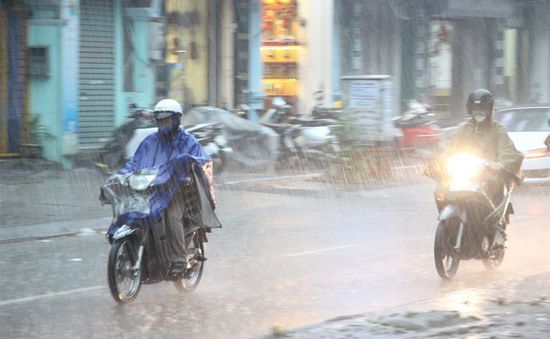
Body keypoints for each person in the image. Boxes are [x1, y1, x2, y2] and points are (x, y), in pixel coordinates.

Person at [120, 98, 216, 276]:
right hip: (153, 188)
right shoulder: (150, 141)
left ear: (176, 119)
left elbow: (203, 160)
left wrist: (187, 162)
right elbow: (135, 162)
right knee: (132, 212)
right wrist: (120, 175)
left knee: (172, 216)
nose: (163, 123)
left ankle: (179, 261)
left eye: (166, 119)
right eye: (160, 120)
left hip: (178, 189)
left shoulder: (187, 141)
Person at [427, 89, 524, 246]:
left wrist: (499, 165)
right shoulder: (465, 130)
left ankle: (495, 229)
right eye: (476, 109)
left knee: (492, 198)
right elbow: (450, 149)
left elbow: (508, 151)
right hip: (466, 174)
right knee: (441, 190)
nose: (479, 112)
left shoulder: (497, 130)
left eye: (483, 109)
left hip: (490, 177)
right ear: (470, 110)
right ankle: (452, 228)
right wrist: (437, 166)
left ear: (489, 110)